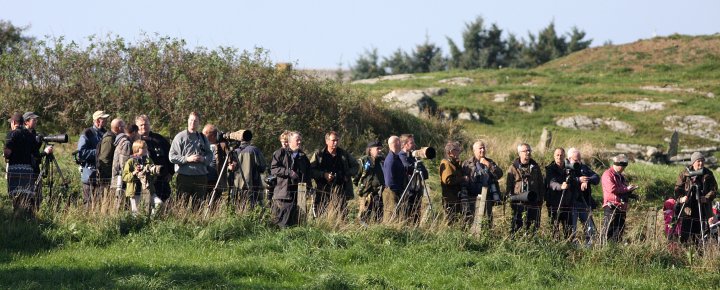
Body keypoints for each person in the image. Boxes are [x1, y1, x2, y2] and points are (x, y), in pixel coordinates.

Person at [309, 131, 359, 219]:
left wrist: (346, 174)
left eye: (337, 140)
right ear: (327, 141)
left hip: (339, 188)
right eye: (333, 140)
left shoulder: (344, 154)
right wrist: (323, 174)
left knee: (341, 214)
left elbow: (356, 166)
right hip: (322, 188)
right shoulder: (319, 154)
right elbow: (310, 170)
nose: (335, 143)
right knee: (318, 213)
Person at [169, 112, 213, 209]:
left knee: (198, 207)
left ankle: (196, 223)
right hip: (185, 177)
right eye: (191, 120)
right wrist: (187, 159)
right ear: (188, 121)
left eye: (195, 121)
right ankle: (181, 223)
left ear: (199, 123)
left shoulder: (203, 137)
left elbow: (210, 155)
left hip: (201, 177)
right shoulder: (180, 137)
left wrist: (203, 159)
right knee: (181, 206)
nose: (193, 123)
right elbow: (171, 156)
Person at [673, 152, 717, 244]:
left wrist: (706, 198)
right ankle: (684, 250)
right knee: (685, 232)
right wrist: (681, 198)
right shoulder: (684, 174)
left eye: (702, 161)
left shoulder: (708, 174)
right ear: (693, 162)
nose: (701, 163)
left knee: (700, 232)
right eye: (698, 161)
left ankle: (698, 251)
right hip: (687, 207)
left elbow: (714, 189)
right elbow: (677, 189)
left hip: (703, 207)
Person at [270, 131, 311, 227]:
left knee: (298, 223)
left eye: (300, 140)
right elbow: (273, 169)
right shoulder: (280, 153)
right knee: (281, 224)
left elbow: (308, 174)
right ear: (290, 141)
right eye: (297, 140)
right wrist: (288, 172)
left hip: (300, 195)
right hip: (283, 194)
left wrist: (309, 187)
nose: (300, 142)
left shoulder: (303, 156)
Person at [461, 140, 503, 228]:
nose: (483, 150)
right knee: (471, 223)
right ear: (474, 150)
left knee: (486, 224)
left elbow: (499, 174)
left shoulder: (489, 162)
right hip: (472, 198)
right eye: (480, 148)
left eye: (484, 148)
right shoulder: (467, 164)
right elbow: (462, 182)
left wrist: (489, 165)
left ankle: (486, 241)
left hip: (487, 199)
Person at [506, 143, 545, 235]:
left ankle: (531, 245)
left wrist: (540, 200)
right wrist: (511, 201)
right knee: (516, 228)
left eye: (529, 151)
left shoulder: (535, 167)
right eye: (525, 151)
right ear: (519, 153)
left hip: (533, 203)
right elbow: (509, 187)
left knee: (533, 229)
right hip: (518, 203)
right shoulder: (513, 168)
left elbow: (541, 185)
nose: (528, 153)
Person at [4, 113, 38, 216]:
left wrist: (5, 155)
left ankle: (17, 219)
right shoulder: (30, 135)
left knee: (16, 197)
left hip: (15, 169)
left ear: (13, 123)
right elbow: (35, 153)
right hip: (28, 171)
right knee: (27, 197)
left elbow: (7, 153)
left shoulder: (12, 134)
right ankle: (28, 218)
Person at [136, 114, 174, 202]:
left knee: (163, 202)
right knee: (144, 204)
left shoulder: (159, 139)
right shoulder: (135, 140)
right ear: (137, 126)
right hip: (143, 180)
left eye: (146, 124)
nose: (144, 127)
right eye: (141, 125)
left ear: (149, 125)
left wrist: (171, 173)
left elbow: (170, 156)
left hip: (161, 180)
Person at [601, 154, 638, 243]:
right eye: (623, 166)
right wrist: (627, 188)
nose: (624, 168)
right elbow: (612, 189)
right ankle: (603, 249)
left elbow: (622, 191)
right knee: (608, 231)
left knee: (618, 232)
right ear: (617, 164)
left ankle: (615, 249)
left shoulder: (620, 176)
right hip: (611, 206)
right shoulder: (607, 174)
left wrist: (631, 193)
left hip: (621, 207)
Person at [77, 110, 110, 209]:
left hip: (103, 174)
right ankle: (86, 223)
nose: (106, 120)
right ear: (97, 120)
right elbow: (81, 153)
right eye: (104, 118)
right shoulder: (87, 133)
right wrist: (98, 152)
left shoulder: (106, 133)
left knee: (102, 203)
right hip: (89, 173)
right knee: (88, 203)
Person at [227, 129, 267, 210]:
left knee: (237, 208)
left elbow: (229, 170)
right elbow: (262, 167)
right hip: (252, 186)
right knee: (252, 209)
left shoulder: (233, 152)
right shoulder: (254, 150)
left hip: (237, 186)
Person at [567, 148, 600, 245]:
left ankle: (589, 247)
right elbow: (566, 181)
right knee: (572, 228)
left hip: (584, 203)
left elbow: (596, 177)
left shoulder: (584, 168)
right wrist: (578, 180)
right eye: (575, 159)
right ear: (569, 159)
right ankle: (572, 247)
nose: (578, 161)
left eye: (579, 159)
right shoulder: (566, 168)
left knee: (589, 228)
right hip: (571, 203)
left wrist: (587, 180)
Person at [122, 140, 162, 216]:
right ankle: (136, 227)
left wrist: (151, 174)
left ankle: (152, 220)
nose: (146, 149)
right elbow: (124, 177)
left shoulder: (148, 160)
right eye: (143, 147)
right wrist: (134, 172)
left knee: (158, 203)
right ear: (137, 149)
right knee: (136, 213)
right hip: (134, 191)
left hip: (148, 189)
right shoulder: (130, 161)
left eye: (146, 147)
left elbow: (154, 175)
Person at [23, 112, 53, 204]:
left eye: (36, 120)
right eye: (33, 120)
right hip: (28, 167)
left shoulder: (34, 132)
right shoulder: (23, 134)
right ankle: (28, 209)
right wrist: (45, 152)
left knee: (38, 192)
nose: (36, 122)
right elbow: (31, 153)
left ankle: (37, 207)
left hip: (35, 166)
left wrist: (39, 142)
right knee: (28, 192)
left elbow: (35, 150)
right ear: (26, 122)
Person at [397, 134, 428, 223]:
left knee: (416, 217)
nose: (414, 145)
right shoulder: (401, 156)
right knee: (406, 217)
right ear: (404, 144)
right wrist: (416, 166)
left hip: (416, 192)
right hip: (407, 192)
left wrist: (418, 160)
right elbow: (409, 169)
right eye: (411, 143)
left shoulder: (413, 157)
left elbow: (425, 174)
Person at [545, 147, 574, 239]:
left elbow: (573, 181)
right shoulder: (550, 168)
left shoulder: (569, 167)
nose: (559, 157)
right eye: (557, 155)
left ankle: (569, 247)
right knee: (554, 229)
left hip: (567, 202)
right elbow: (551, 183)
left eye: (561, 155)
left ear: (564, 156)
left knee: (568, 229)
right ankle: (555, 248)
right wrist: (560, 186)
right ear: (554, 156)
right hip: (553, 202)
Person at [354, 140, 385, 224]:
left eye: (381, 149)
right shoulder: (363, 161)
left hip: (379, 194)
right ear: (370, 149)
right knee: (363, 218)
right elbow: (356, 178)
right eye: (378, 149)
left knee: (379, 217)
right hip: (366, 194)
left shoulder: (382, 161)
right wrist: (363, 188)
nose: (380, 151)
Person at [112, 124, 139, 210]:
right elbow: (124, 163)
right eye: (137, 133)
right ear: (134, 132)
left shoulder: (121, 140)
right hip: (121, 179)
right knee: (120, 203)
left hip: (120, 177)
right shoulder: (126, 143)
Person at [98, 118, 125, 204]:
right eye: (123, 126)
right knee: (107, 201)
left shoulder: (115, 138)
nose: (124, 128)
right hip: (107, 177)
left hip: (112, 176)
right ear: (119, 128)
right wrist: (110, 176)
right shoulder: (109, 139)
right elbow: (104, 159)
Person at [439, 141, 467, 224]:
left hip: (455, 198)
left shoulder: (453, 163)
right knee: (451, 221)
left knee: (457, 220)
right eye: (457, 150)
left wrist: (458, 164)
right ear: (450, 152)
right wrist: (462, 178)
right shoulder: (446, 163)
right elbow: (448, 180)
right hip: (450, 199)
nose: (459, 152)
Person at [202, 124, 229, 203]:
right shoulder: (201, 145)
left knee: (214, 204)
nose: (202, 136)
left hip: (215, 181)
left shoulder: (222, 146)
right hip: (202, 179)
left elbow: (230, 160)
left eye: (204, 134)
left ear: (212, 136)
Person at [382, 135, 405, 223]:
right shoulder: (391, 159)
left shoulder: (396, 157)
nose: (400, 144)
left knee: (397, 216)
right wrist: (397, 191)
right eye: (398, 142)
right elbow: (389, 181)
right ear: (394, 144)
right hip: (391, 192)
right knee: (391, 216)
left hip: (396, 191)